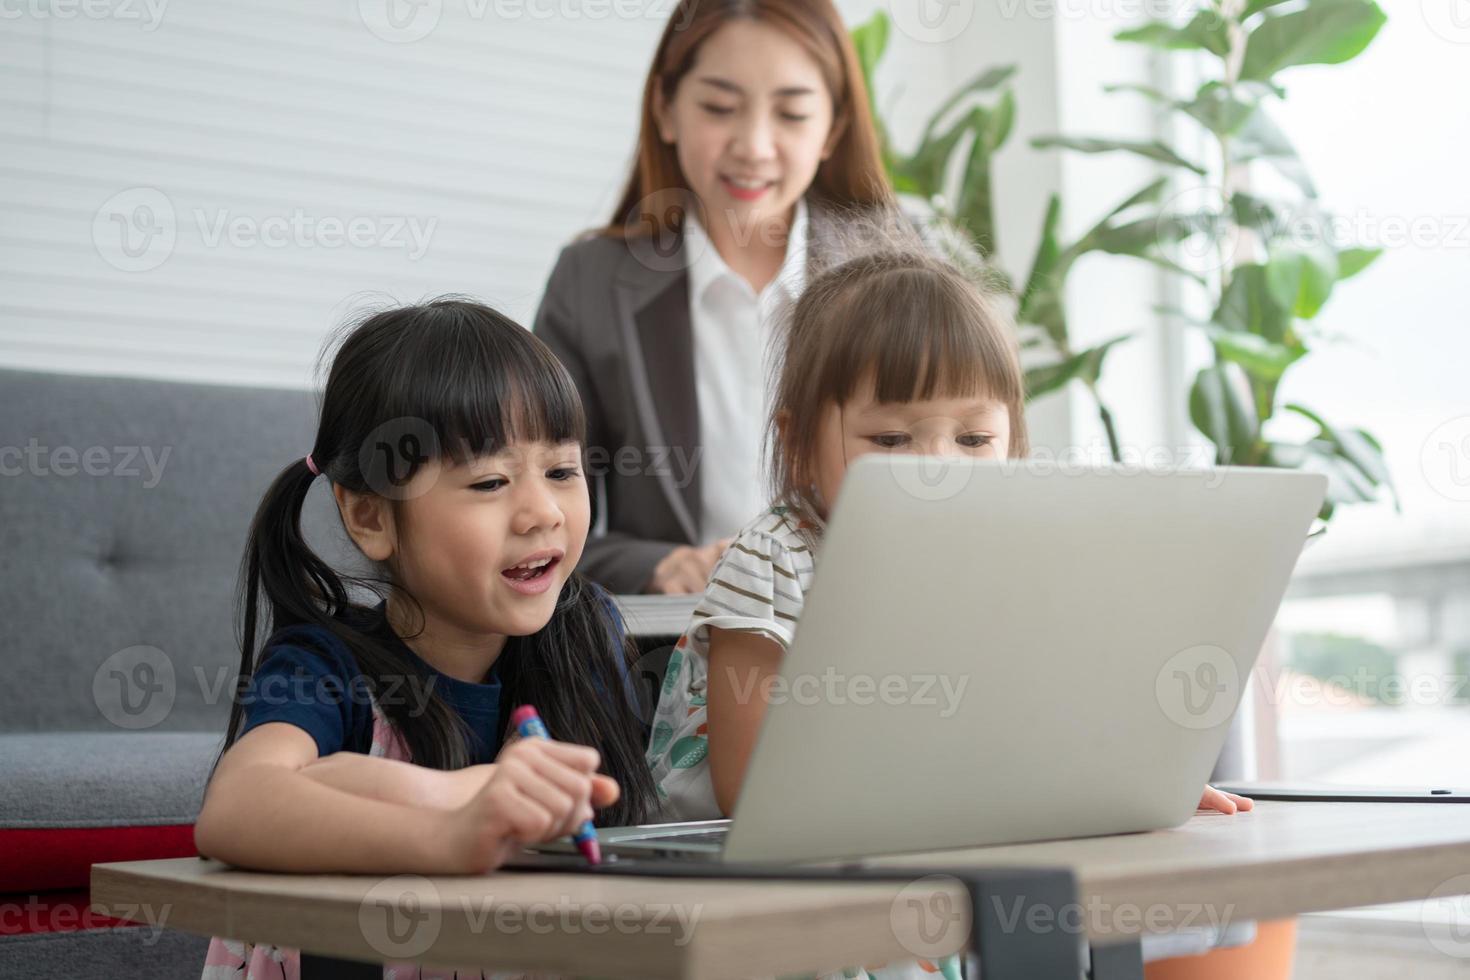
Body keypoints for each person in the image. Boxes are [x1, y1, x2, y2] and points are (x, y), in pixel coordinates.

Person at [645, 246, 1255, 978]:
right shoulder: (774, 561)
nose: (939, 466)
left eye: (974, 439)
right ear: (800, 445)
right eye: (891, 439)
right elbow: (753, 793)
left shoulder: (1001, 567)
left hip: (918, 872)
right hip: (760, 897)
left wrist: (1134, 784)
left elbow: (1040, 726)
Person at [194, 298, 657, 979]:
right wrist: (451, 822)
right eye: (491, 481)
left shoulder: (585, 639)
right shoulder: (327, 668)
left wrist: (364, 783)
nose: (542, 513)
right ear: (370, 516)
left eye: (562, 471)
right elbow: (233, 809)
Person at [534, 0, 893, 595]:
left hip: (872, 623)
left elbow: (960, 485)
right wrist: (663, 566)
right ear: (666, 110)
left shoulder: (899, 277)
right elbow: (533, 509)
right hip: (672, 652)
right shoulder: (590, 282)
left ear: (833, 128)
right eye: (720, 107)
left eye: (792, 113)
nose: (753, 145)